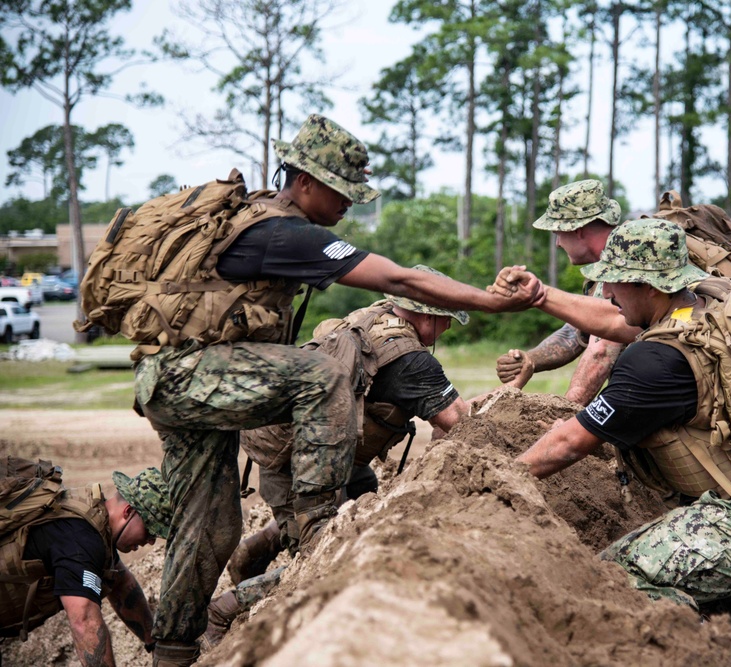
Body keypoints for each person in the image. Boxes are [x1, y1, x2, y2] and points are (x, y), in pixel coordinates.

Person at [132, 115, 542, 666]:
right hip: (191, 374)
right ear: (305, 181)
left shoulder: (262, 224)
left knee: (213, 524)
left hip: (185, 382)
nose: (350, 204)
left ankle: (174, 652)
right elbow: (398, 279)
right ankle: (322, 520)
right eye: (342, 191)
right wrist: (493, 302)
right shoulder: (282, 232)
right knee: (320, 378)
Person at [506, 218, 731, 666]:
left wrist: (501, 477)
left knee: (612, 578)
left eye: (616, 283)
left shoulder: (655, 361)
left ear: (650, 287)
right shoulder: (707, 305)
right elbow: (613, 324)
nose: (606, 295)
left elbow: (570, 442)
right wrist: (544, 296)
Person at [203, 274, 533, 645]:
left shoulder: (374, 317)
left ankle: (264, 543)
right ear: (426, 317)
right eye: (446, 320)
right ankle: (226, 608)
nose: (446, 329)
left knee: (364, 508)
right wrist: (512, 389)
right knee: (326, 560)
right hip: (303, 466)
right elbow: (462, 425)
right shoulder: (410, 360)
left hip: (319, 453)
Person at [0, 467, 170, 667]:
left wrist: (154, 642)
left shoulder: (93, 517)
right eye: (150, 530)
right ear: (128, 511)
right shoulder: (82, 541)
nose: (150, 541)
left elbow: (121, 584)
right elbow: (85, 623)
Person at [494, 179, 626, 405]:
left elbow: (601, 351)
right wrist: (531, 359)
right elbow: (578, 330)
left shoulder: (628, 264)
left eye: (558, 232)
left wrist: (562, 420)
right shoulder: (602, 271)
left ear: (578, 230)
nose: (557, 243)